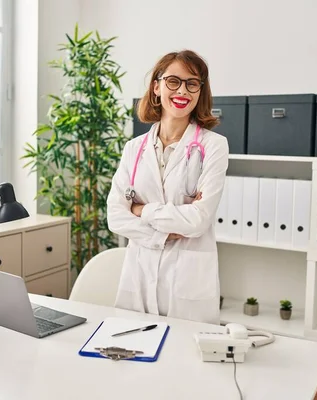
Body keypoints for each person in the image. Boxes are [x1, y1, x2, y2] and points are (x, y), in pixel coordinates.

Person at [106, 50, 229, 324]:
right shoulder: (133, 149)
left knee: (184, 361)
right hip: (138, 274)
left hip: (188, 283)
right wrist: (162, 235)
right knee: (130, 356)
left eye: (192, 83)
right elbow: (115, 215)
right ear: (157, 86)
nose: (182, 90)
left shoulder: (213, 146)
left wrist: (141, 209)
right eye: (173, 81)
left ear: (200, 91)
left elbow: (198, 220)